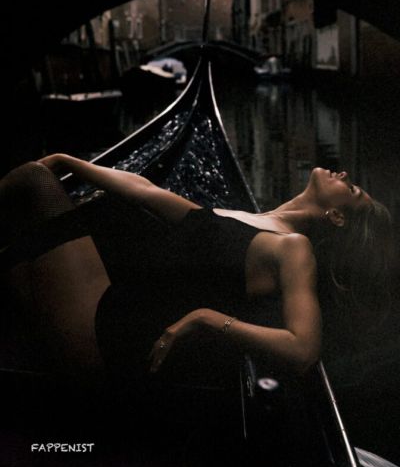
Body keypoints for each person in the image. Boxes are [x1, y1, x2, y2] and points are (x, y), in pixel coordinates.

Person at [0, 155, 393, 389]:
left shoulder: (293, 247)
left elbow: (303, 350)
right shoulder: (256, 219)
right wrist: (68, 162)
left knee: (32, 181)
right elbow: (146, 191)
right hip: (108, 305)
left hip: (103, 330)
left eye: (352, 189)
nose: (345, 175)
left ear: (336, 216)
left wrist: (207, 319)